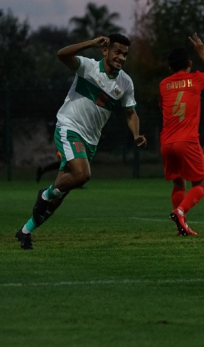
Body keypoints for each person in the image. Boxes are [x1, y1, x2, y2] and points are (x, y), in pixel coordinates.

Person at [15, 33, 147, 249]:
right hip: (69, 127)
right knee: (82, 175)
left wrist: (136, 134)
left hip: (91, 140)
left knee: (59, 197)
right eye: (117, 52)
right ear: (106, 51)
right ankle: (45, 193)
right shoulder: (88, 67)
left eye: (125, 54)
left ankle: (25, 231)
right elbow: (61, 55)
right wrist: (91, 43)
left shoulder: (125, 83)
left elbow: (131, 114)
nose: (121, 58)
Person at [160, 34, 204, 236]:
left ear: (169, 68)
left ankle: (181, 226)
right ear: (190, 64)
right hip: (187, 140)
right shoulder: (195, 79)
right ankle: (180, 211)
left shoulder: (163, 85)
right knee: (203, 184)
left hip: (167, 142)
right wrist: (202, 51)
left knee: (178, 182)